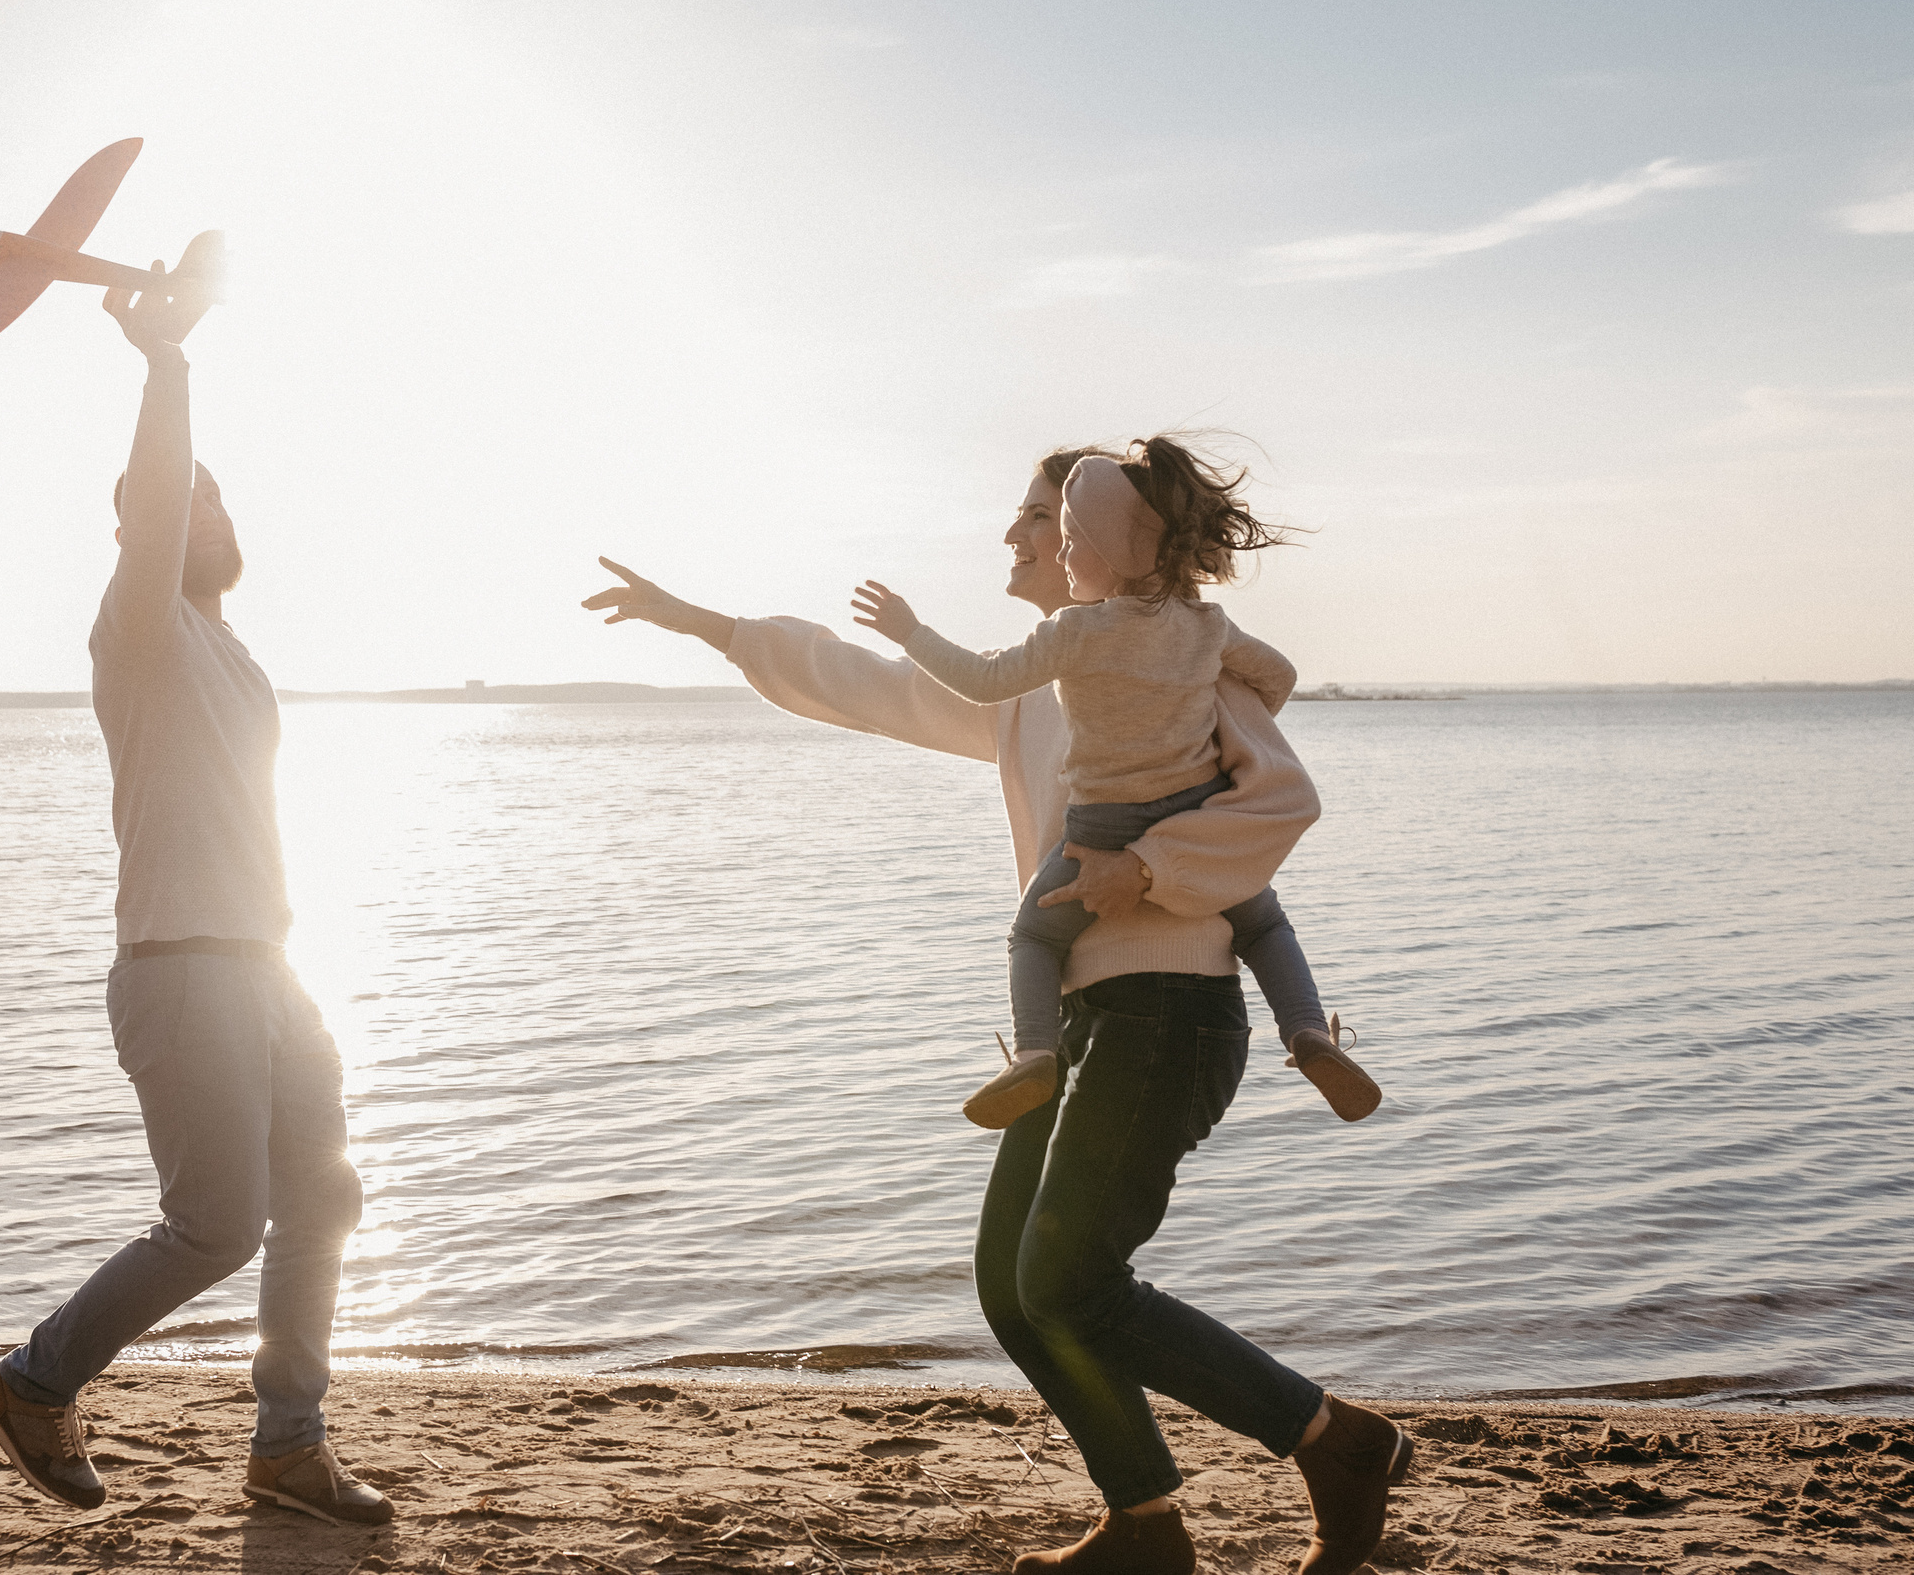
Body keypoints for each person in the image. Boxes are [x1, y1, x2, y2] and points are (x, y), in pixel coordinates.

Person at [580, 443, 1411, 1575]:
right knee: (1015, 1292)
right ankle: (1145, 1524)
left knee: (1070, 1282)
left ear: (1099, 538)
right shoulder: (1036, 685)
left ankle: (1334, 1440)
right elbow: (857, 678)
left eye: (1037, 515)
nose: (1016, 535)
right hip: (1078, 1026)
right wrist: (704, 622)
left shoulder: (1187, 661)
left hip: (1171, 1006)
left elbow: (1279, 800)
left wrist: (1147, 868)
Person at [0, 270, 391, 1527]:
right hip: (183, 966)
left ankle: (289, 1447)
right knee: (214, 1227)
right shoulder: (138, 629)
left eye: (220, 496)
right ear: (139, 536)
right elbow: (155, 504)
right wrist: (164, 367)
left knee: (322, 1200)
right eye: (187, 499)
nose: (207, 509)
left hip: (267, 971)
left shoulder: (232, 652)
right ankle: (33, 1383)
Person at [848, 436, 1380, 1125]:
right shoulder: (1206, 625)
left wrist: (910, 631)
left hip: (1102, 824)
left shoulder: (1075, 631)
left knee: (1034, 937)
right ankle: (1309, 1034)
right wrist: (1228, 720)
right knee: (1264, 922)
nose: (1064, 555)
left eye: (1073, 542)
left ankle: (1034, 1054)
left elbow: (983, 681)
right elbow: (1278, 674)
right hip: (1193, 808)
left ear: (1110, 552)